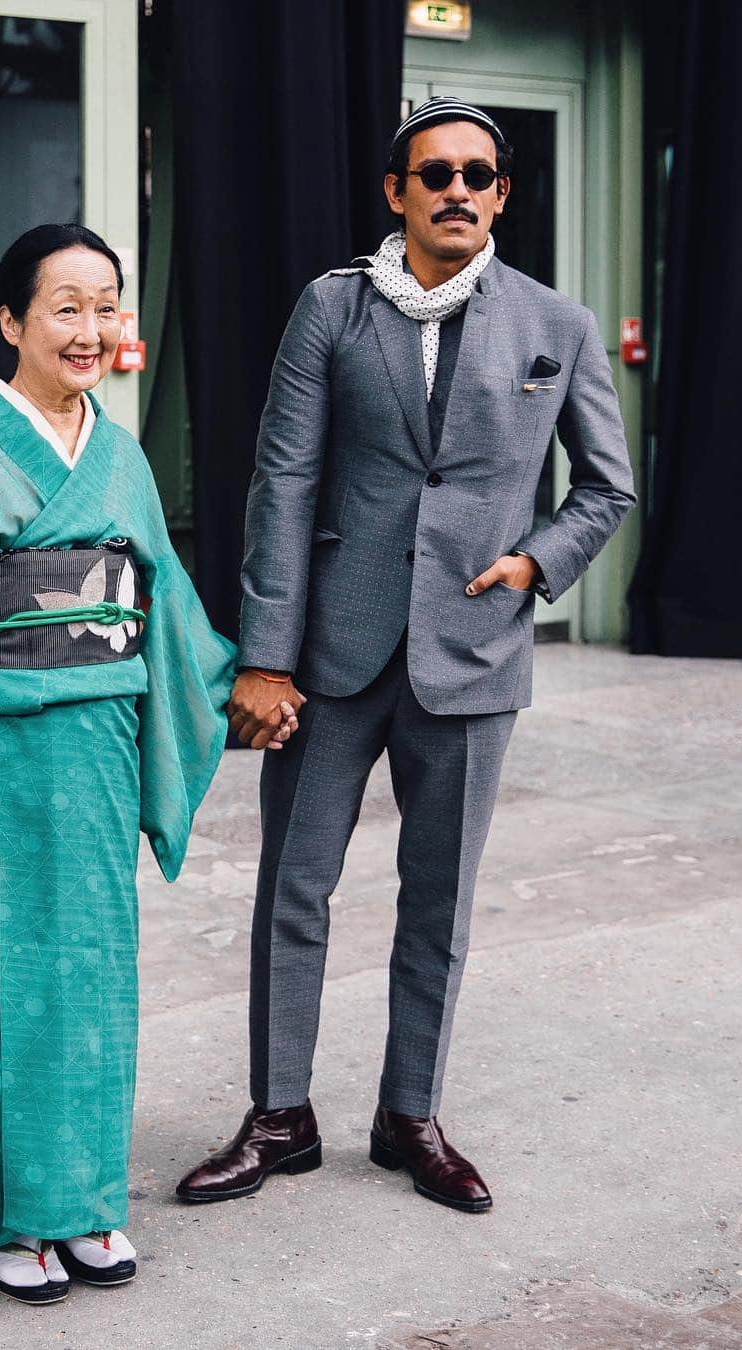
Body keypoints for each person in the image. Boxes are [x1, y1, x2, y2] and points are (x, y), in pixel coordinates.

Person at [0, 224, 293, 1303]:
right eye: (64, 307)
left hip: (103, 746)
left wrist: (232, 692)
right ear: (11, 321)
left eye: (106, 306)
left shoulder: (116, 455)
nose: (89, 329)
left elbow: (161, 602)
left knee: (96, 980)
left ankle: (80, 1206)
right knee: (6, 985)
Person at [177, 98, 636, 1213]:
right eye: (435, 173)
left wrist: (535, 565)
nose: (457, 191)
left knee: (441, 902)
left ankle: (410, 1116)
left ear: (502, 194)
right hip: (333, 649)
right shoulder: (333, 309)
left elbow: (607, 486)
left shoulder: (555, 325)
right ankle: (280, 1115)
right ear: (398, 192)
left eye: (479, 175)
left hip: (475, 658)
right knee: (295, 888)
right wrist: (265, 655)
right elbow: (281, 482)